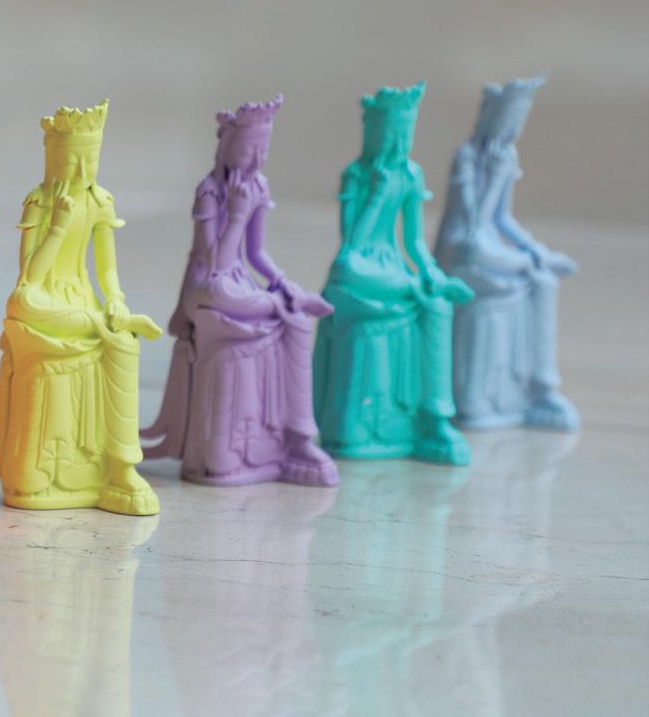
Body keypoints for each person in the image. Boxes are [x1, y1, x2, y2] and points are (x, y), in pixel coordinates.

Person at [0, 100, 162, 515]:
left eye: (90, 160)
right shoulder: (40, 202)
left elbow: (107, 269)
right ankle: (97, 324)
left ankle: (122, 468)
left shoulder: (100, 201)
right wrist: (59, 226)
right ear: (52, 158)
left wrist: (116, 299)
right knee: (21, 303)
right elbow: (29, 278)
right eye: (71, 161)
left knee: (124, 345)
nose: (81, 172)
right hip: (42, 302)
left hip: (81, 302)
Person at [145, 95, 337, 486]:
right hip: (207, 288)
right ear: (228, 148)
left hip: (239, 283)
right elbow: (215, 262)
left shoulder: (258, 185)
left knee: (299, 325)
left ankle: (299, 439)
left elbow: (256, 253)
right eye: (249, 150)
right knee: (261, 303)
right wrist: (235, 214)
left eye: (263, 150)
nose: (256, 160)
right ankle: (282, 304)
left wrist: (282, 282)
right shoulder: (210, 191)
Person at [313, 82, 474, 465]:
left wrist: (430, 271)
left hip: (394, 269)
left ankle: (435, 418)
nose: (399, 140)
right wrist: (378, 195)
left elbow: (415, 241)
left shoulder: (411, 175)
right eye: (392, 131)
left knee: (437, 306)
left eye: (405, 131)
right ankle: (414, 289)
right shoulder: (356, 175)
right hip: (358, 272)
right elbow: (351, 246)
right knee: (354, 272)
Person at [435, 76, 578, 430]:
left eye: (519, 120)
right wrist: (496, 179)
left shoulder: (507, 154)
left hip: (489, 245)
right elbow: (473, 225)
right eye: (509, 118)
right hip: (462, 249)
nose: (513, 127)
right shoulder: (467, 156)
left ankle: (542, 387)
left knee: (543, 281)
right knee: (517, 273)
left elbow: (502, 220)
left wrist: (532, 248)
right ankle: (476, 398)